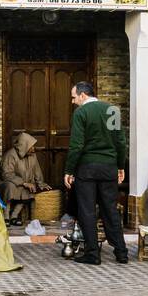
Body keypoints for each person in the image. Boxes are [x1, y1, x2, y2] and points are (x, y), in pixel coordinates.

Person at [63, 81, 128, 265]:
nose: (73, 101)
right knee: (110, 211)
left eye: (74, 97)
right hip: (108, 169)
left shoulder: (81, 113)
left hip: (87, 169)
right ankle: (121, 252)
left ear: (83, 95)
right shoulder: (112, 110)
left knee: (87, 211)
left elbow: (76, 145)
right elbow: (120, 141)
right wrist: (120, 166)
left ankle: (93, 254)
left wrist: (69, 170)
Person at [0, 131, 49, 224]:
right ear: (24, 146)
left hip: (25, 183)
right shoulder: (10, 155)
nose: (33, 149)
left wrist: (41, 183)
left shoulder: (32, 155)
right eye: (31, 146)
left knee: (31, 188)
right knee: (10, 187)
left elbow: (37, 171)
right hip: (10, 182)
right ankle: (6, 216)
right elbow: (6, 174)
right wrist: (24, 183)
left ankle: (14, 216)